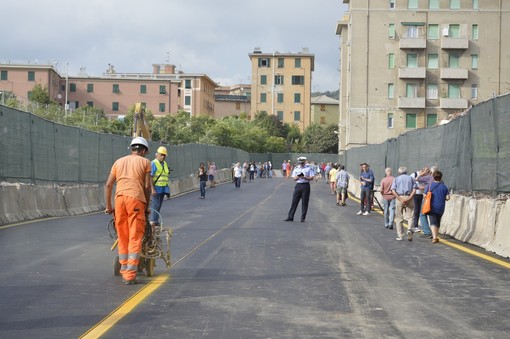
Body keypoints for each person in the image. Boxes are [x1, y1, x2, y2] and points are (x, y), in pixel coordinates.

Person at [104, 137, 151, 285]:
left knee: (122, 235)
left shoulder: (118, 162)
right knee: (135, 236)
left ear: (132, 148)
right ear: (143, 150)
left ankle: (124, 268)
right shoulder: (145, 162)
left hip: (119, 200)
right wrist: (146, 207)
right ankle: (130, 275)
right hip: (135, 199)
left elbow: (108, 185)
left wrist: (108, 206)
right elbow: (147, 186)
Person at [284, 157, 315, 222]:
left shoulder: (309, 168)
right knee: (294, 201)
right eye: (300, 163)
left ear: (304, 162)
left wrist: (304, 177)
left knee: (304, 202)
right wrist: (298, 176)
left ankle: (303, 218)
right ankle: (290, 216)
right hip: (298, 185)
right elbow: (294, 178)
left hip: (305, 185)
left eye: (302, 162)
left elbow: (312, 178)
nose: (301, 164)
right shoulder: (296, 168)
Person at [423, 170, 450, 243]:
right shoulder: (444, 187)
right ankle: (436, 235)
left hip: (431, 206)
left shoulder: (429, 186)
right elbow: (447, 198)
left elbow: (425, 195)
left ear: (433, 177)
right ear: (441, 177)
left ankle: (434, 236)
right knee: (438, 221)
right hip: (441, 206)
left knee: (432, 222)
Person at [391, 166, 416, 241]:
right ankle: (409, 229)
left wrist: (400, 199)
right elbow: (414, 190)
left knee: (399, 217)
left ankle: (400, 235)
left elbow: (393, 190)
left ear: (399, 172)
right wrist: (409, 198)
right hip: (409, 197)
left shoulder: (396, 179)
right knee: (411, 215)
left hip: (400, 197)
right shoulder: (411, 178)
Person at [149, 146, 170, 228]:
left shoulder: (164, 163)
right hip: (156, 188)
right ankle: (153, 221)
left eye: (164, 155)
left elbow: (165, 175)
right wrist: (152, 189)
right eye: (161, 155)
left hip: (163, 188)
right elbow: (150, 177)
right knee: (155, 205)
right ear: (157, 154)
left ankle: (156, 221)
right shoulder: (153, 163)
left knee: (159, 205)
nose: (163, 157)